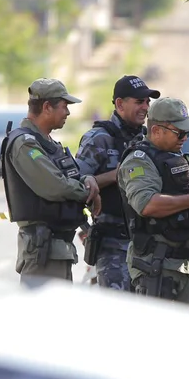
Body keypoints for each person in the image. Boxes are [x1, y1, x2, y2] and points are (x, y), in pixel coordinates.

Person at [118, 97, 189, 303]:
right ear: (156, 131)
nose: (185, 138)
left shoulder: (176, 159)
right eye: (180, 132)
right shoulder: (139, 160)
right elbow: (147, 204)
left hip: (182, 263)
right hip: (156, 265)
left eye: (188, 132)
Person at [2, 78, 100, 286]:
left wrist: (87, 179)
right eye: (64, 106)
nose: (68, 112)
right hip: (42, 252)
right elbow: (55, 186)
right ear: (47, 107)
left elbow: (69, 175)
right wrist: (87, 192)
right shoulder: (24, 144)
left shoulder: (47, 144)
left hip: (58, 250)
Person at [75, 75, 161, 291]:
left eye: (147, 102)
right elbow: (75, 186)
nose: (145, 107)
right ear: (120, 104)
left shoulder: (148, 140)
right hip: (113, 246)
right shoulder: (99, 139)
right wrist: (118, 174)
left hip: (147, 246)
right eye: (139, 101)